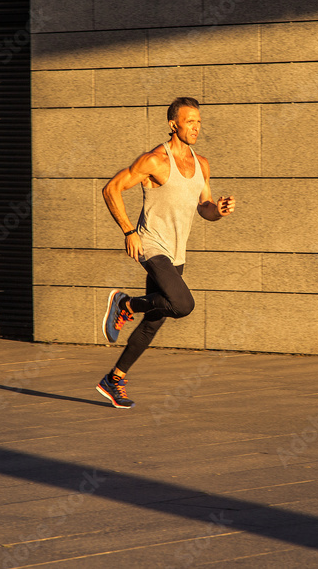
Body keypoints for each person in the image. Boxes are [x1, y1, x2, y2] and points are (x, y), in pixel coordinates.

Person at [97, 97, 235, 409]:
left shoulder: (202, 164)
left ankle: (113, 379)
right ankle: (126, 303)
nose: (196, 128)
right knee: (183, 304)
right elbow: (111, 189)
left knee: (154, 320)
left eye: (199, 122)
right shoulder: (155, 161)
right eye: (190, 122)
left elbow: (205, 208)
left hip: (176, 252)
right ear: (174, 125)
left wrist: (219, 211)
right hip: (152, 245)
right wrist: (129, 231)